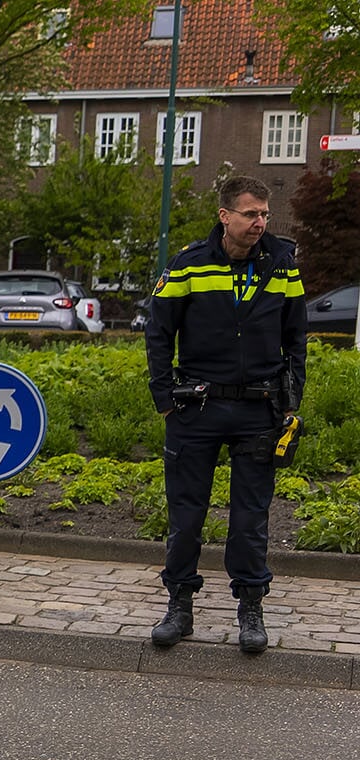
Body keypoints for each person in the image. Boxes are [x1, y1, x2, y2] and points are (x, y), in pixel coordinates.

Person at [147, 176, 307, 653]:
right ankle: (179, 606)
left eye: (263, 214)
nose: (260, 223)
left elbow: (296, 337)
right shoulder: (188, 264)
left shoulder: (282, 265)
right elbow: (158, 334)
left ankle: (251, 610)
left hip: (259, 408)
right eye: (250, 214)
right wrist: (164, 399)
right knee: (187, 515)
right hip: (195, 409)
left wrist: (291, 400)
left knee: (250, 519)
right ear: (225, 216)